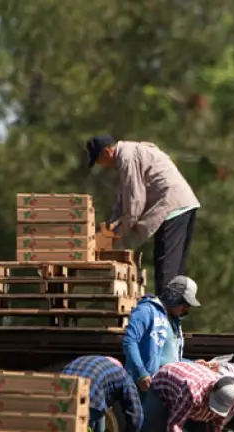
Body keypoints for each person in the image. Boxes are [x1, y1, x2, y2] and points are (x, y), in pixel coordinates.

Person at [86, 135, 201, 294]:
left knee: (166, 270)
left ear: (107, 152)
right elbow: (123, 198)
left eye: (98, 160)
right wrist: (111, 223)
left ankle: (165, 315)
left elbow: (135, 203)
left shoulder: (127, 158)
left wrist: (118, 233)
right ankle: (173, 315)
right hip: (186, 204)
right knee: (176, 272)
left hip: (173, 206)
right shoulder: (128, 154)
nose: (100, 165)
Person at [122, 276, 200, 398]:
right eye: (185, 303)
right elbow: (130, 341)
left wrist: (194, 364)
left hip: (164, 388)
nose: (186, 309)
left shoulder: (174, 322)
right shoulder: (146, 310)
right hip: (143, 387)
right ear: (174, 297)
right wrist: (141, 373)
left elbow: (171, 359)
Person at [140, 362, 234, 432]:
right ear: (211, 390)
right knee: (153, 429)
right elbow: (175, 424)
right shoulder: (192, 391)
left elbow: (216, 427)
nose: (214, 411)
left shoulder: (233, 399)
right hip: (163, 386)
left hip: (186, 395)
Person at [60, 355, 142, 432]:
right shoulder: (123, 374)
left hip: (63, 391)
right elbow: (136, 416)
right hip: (89, 396)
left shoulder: (88, 360)